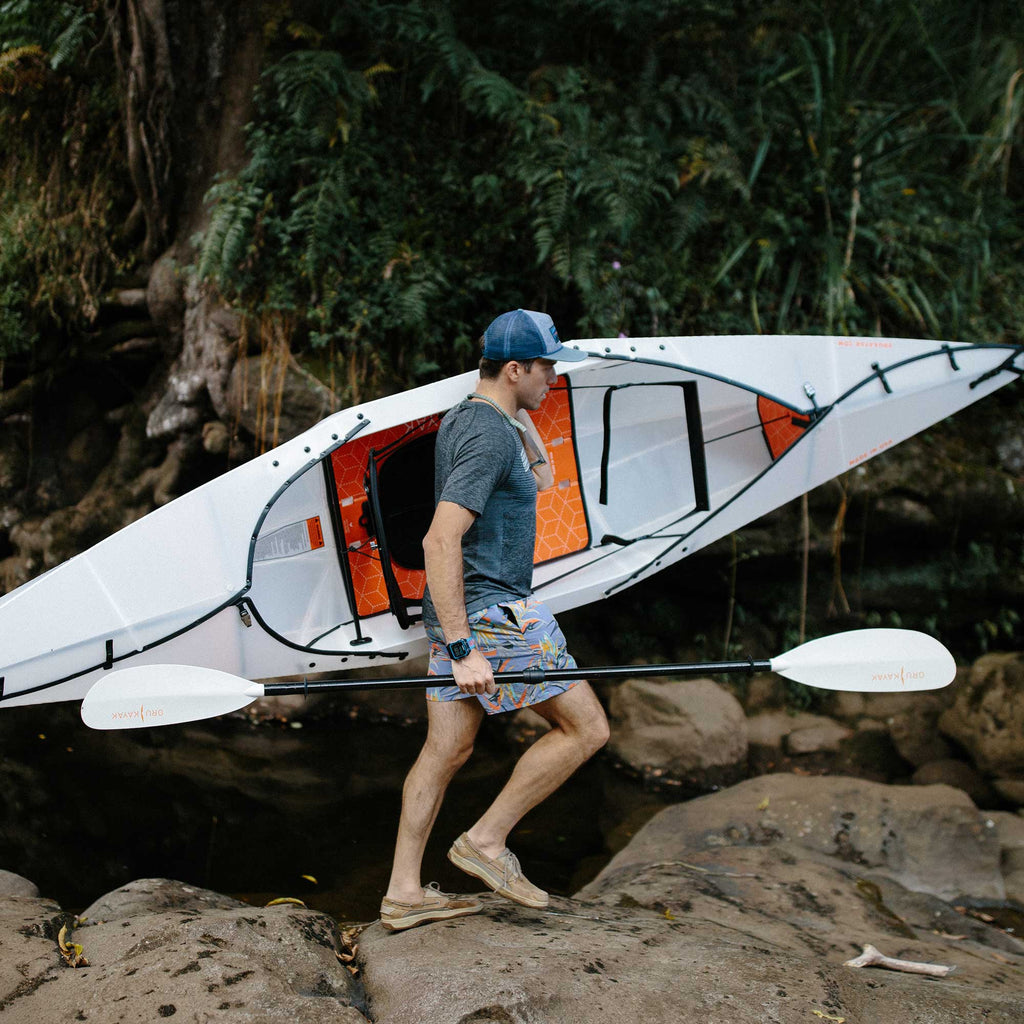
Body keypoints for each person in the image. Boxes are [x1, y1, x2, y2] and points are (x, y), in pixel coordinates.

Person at [379, 309, 610, 932]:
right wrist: (462, 648)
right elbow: (439, 540)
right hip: (492, 616)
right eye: (546, 367)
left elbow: (542, 478)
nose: (553, 378)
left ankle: (403, 892)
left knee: (446, 750)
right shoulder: (484, 435)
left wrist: (521, 416)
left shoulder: (476, 420)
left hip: (464, 612)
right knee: (586, 730)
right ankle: (486, 841)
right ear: (516, 368)